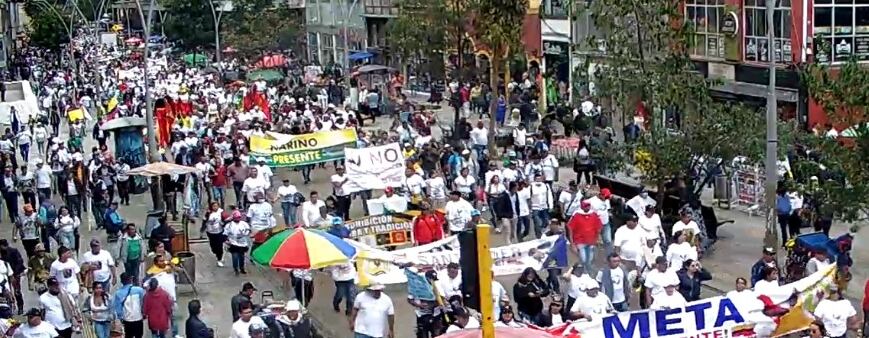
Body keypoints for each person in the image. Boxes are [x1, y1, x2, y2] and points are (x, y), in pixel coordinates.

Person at [566, 201, 602, 270]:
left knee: (590, 259)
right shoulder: (577, 215)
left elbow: (598, 227)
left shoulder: (594, 214)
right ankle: (581, 269)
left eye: (588, 206)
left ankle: (586, 271)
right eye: (586, 206)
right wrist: (572, 243)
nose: (587, 207)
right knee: (584, 259)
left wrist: (598, 238)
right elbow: (570, 228)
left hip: (591, 240)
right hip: (580, 240)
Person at [113, 272, 146, 338]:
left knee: (128, 335)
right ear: (131, 280)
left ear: (122, 281)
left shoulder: (118, 293)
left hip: (127, 319)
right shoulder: (139, 290)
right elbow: (143, 303)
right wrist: (144, 313)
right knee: (139, 335)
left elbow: (118, 309)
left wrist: (120, 318)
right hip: (138, 318)